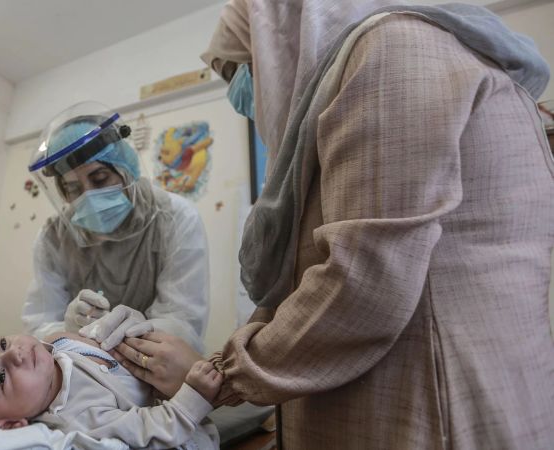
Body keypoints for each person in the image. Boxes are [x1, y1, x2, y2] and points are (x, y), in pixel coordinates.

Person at [95, 1, 554, 448]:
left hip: (436, 408)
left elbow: (363, 285)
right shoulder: (370, 79)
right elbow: (326, 274)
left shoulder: (394, 51)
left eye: (238, 72)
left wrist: (220, 375)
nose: (242, 98)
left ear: (277, 38)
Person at [21, 101, 210, 353]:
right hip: (81, 371)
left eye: (100, 178)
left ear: (125, 169)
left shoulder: (175, 218)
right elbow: (38, 325)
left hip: (151, 374)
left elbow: (184, 325)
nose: (88, 195)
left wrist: (140, 330)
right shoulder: (54, 239)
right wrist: (65, 329)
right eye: (73, 188)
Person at [0, 332, 220, 449]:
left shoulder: (58, 347)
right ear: (10, 425)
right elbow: (152, 430)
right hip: (191, 426)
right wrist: (193, 398)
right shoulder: (78, 416)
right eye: (1, 377)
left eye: (3, 344)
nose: (14, 355)